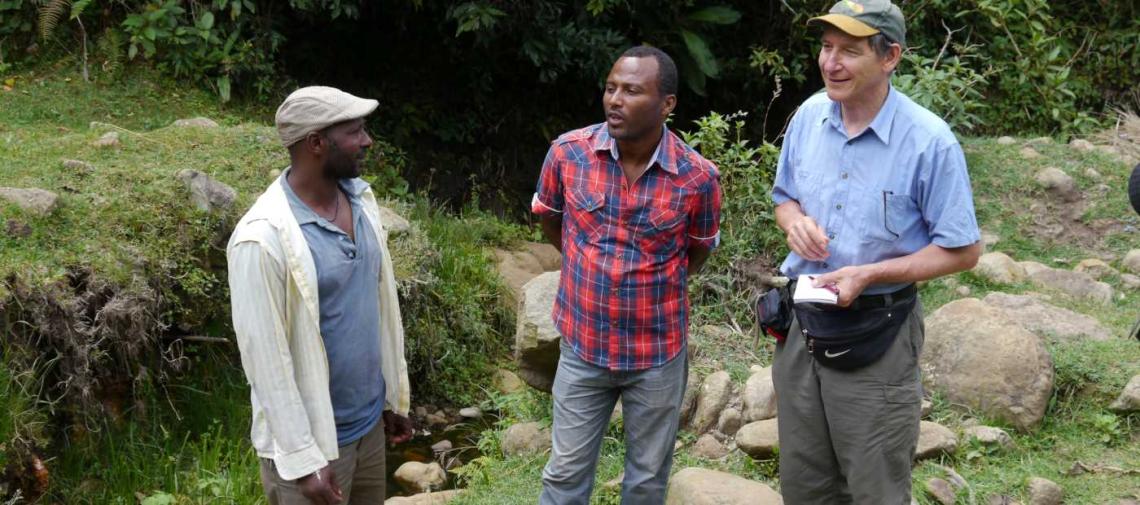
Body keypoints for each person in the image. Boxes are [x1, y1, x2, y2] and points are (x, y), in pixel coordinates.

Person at [770, 1, 983, 503]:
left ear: (890, 58)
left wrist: (870, 273)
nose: (831, 63)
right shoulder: (808, 116)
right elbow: (784, 198)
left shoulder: (929, 141)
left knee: (875, 488)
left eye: (849, 50)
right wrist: (795, 224)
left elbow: (963, 251)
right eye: (826, 47)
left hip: (879, 334)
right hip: (801, 325)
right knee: (804, 486)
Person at [531, 45, 722, 504]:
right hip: (583, 344)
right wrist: (583, 261)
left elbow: (696, 252)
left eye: (632, 91)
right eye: (611, 88)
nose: (615, 99)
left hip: (656, 353)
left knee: (646, 481)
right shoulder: (568, 154)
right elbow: (550, 218)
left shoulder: (697, 178)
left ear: (667, 104)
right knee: (564, 476)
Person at [227, 86, 414, 505]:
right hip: (314, 451)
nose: (367, 141)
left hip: (368, 431)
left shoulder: (361, 201)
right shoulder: (262, 238)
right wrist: (301, 458)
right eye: (355, 132)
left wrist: (391, 399)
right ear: (315, 143)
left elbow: (378, 310)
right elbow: (265, 361)